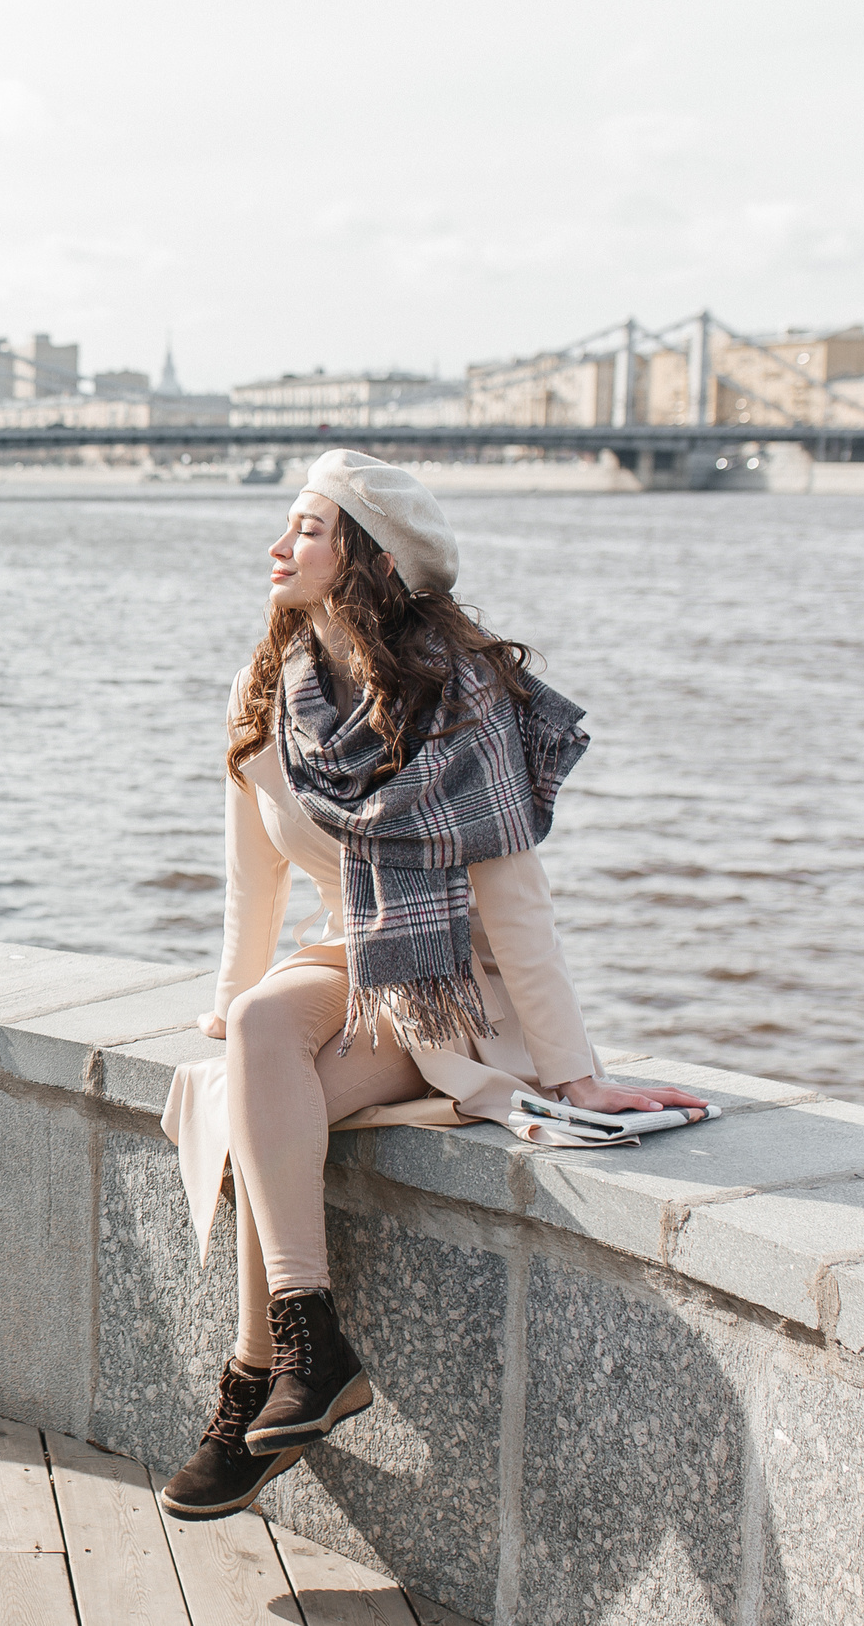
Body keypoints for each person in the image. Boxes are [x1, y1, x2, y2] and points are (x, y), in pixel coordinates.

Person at [156, 449, 708, 1524]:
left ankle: (251, 1381)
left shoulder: (460, 700)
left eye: (307, 529)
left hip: (456, 981)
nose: (277, 547)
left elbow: (514, 900)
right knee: (261, 1029)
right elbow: (251, 874)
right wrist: (229, 995)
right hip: (349, 953)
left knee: (258, 1101)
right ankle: (311, 1349)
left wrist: (574, 1072)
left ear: (367, 556)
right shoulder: (268, 685)